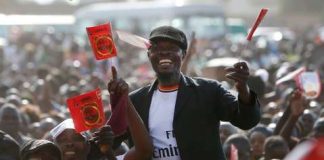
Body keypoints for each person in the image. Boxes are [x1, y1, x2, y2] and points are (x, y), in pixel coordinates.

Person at [115, 26, 261, 159]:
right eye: (157, 48)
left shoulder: (209, 91)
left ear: (183, 54)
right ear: (149, 55)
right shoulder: (135, 101)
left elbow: (247, 120)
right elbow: (110, 141)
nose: (164, 52)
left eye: (172, 48)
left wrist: (243, 89)